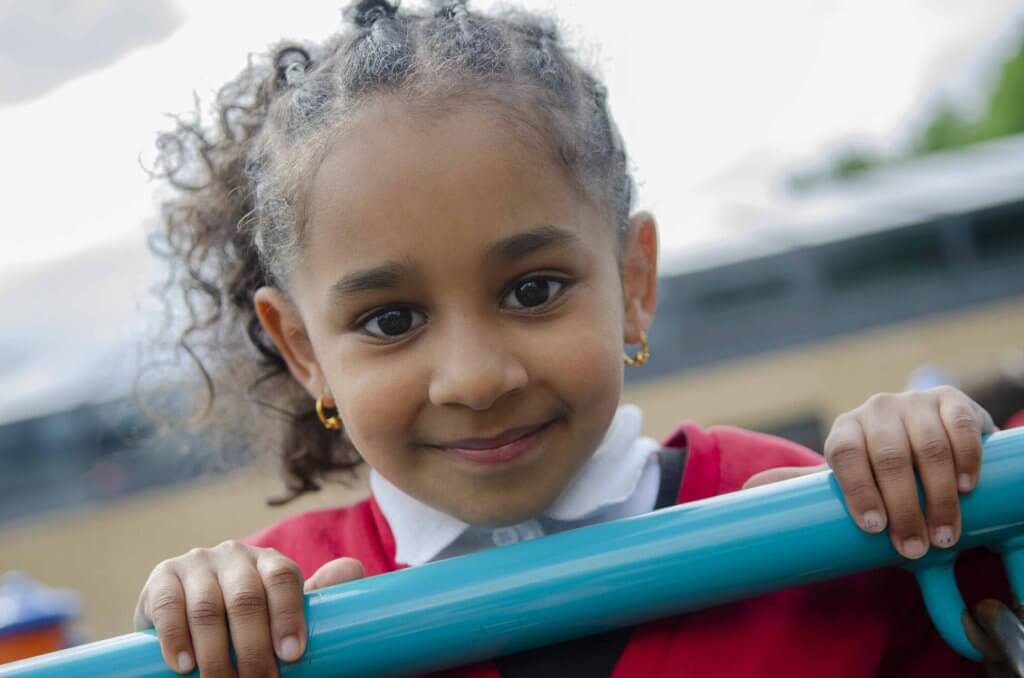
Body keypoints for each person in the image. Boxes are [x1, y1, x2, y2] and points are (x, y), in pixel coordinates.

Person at [133, 1, 1013, 676]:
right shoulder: (277, 621)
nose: (476, 379)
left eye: (533, 289)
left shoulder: (805, 512)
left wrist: (949, 491)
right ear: (303, 351)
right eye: (390, 320)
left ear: (634, 285)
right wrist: (187, 629)